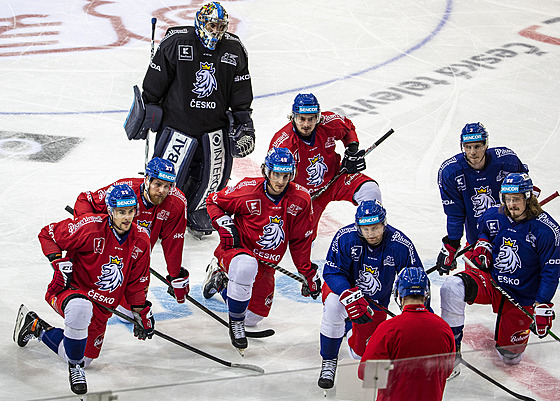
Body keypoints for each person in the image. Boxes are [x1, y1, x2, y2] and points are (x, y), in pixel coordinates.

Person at [126, 1, 255, 236]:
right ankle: (156, 211)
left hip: (214, 127)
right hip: (178, 124)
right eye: (211, 25)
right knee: (167, 176)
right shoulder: (177, 43)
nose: (216, 31)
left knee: (212, 175)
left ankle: (198, 208)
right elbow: (155, 82)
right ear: (200, 23)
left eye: (221, 26)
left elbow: (240, 91)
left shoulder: (234, 50)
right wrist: (149, 108)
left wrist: (244, 123)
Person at [14, 184, 154, 396]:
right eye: (121, 212)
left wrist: (140, 311)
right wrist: (57, 261)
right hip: (70, 290)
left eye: (131, 211)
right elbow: (48, 234)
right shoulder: (89, 227)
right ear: (110, 210)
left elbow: (137, 282)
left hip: (103, 306)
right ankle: (75, 369)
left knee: (81, 356)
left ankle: (36, 327)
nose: (127, 218)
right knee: (81, 309)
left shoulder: (141, 240)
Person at [203, 147, 321, 352]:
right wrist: (225, 225)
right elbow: (213, 201)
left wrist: (307, 273)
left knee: (253, 318)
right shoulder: (247, 190)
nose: (280, 181)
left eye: (286, 176)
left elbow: (299, 241)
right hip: (237, 251)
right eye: (276, 174)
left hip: (267, 265)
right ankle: (235, 323)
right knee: (246, 267)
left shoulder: (301, 199)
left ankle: (220, 281)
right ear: (266, 171)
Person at [440, 173, 559, 369]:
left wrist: (542, 304)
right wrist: (484, 246)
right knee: (452, 287)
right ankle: (452, 349)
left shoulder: (547, 231)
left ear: (528, 198)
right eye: (508, 199)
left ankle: (512, 336)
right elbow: (484, 232)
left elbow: (550, 272)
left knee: (510, 358)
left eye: (517, 199)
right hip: (492, 282)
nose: (511, 205)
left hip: (521, 296)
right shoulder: (494, 214)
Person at [318, 201, 423, 389]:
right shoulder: (345, 237)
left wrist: (421, 317)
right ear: (359, 227)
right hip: (345, 293)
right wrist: (348, 295)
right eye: (366, 229)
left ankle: (350, 328)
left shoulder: (400, 245)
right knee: (333, 306)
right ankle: (328, 360)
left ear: (384, 224)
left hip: (376, 304)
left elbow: (417, 282)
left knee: (360, 355)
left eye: (375, 228)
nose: (371, 234)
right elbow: (332, 272)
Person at [73, 157, 190, 308]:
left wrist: (175, 274)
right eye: (158, 184)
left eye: (167, 186)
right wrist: (89, 231)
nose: (162, 191)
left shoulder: (176, 203)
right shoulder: (124, 190)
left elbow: (174, 240)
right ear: (147, 179)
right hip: (110, 252)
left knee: (133, 309)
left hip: (138, 258)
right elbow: (86, 200)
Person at [269, 93, 382, 238]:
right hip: (306, 196)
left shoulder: (328, 123)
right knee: (299, 239)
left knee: (369, 190)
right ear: (293, 117)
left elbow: (348, 128)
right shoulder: (283, 144)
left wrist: (352, 150)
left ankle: (369, 239)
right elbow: (273, 178)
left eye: (311, 119)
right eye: (301, 119)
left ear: (319, 117)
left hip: (335, 178)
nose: (306, 124)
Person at [436, 122, 528, 275]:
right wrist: (452, 244)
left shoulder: (507, 162)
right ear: (462, 146)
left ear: (486, 145)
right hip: (476, 243)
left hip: (512, 240)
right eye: (468, 147)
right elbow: (455, 214)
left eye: (477, 146)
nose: (473, 152)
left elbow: (526, 193)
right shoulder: (450, 172)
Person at [359, 267, 455, 401]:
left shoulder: (388, 329)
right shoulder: (444, 328)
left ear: (399, 294)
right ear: (426, 294)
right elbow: (446, 370)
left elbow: (369, 376)